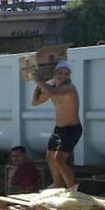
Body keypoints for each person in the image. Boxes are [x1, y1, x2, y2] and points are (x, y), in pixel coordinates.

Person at [32, 60, 82, 188]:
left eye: (66, 74)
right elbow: (35, 102)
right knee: (50, 157)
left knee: (60, 159)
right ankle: (57, 184)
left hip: (72, 129)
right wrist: (38, 85)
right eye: (60, 73)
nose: (63, 76)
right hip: (58, 129)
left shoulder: (69, 88)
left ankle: (72, 188)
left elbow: (54, 92)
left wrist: (39, 81)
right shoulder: (52, 88)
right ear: (54, 74)